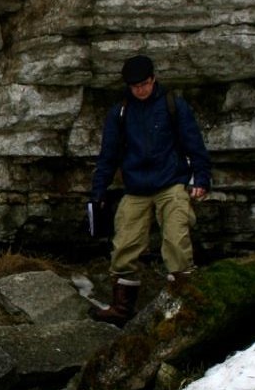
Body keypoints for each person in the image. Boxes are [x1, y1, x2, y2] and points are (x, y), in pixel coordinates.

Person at [89, 54, 211, 326]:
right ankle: (121, 309)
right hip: (135, 188)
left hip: (171, 183)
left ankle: (184, 305)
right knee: (124, 245)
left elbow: (195, 145)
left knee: (176, 240)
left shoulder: (173, 106)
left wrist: (201, 179)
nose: (140, 90)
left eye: (144, 84)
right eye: (135, 86)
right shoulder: (120, 112)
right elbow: (108, 156)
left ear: (153, 79)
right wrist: (98, 191)